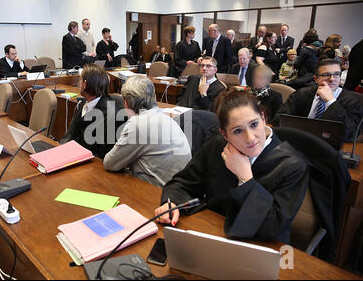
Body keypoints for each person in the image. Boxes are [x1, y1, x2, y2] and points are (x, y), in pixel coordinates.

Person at [155, 90, 308, 244]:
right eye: (238, 131)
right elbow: (183, 183)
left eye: (254, 124)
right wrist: (173, 203)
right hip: (213, 233)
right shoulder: (217, 146)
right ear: (225, 134)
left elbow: (271, 227)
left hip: (262, 248)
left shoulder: (292, 166)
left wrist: (246, 180)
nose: (250, 138)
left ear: (263, 118)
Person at [103, 76, 191, 187]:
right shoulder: (164, 116)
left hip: (156, 193)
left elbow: (110, 163)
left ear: (125, 103)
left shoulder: (138, 124)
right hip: (177, 190)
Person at [273, 59, 363, 141]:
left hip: (331, 148)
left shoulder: (352, 100)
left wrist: (331, 102)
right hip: (299, 141)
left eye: (336, 74)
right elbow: (278, 120)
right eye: (326, 75)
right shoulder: (301, 94)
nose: (332, 79)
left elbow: (351, 134)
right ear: (316, 79)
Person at [59, 64, 122, 158]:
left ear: (85, 84)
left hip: (90, 163)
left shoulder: (109, 113)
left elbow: (103, 153)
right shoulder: (84, 103)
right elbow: (71, 134)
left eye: (80, 80)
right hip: (73, 155)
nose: (79, 84)